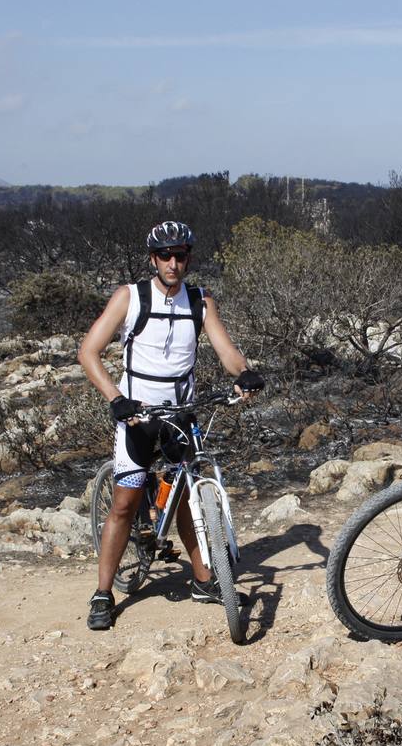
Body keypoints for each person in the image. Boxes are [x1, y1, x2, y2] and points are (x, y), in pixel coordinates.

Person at [78, 220, 264, 631]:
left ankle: (203, 581)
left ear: (189, 258)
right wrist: (116, 399)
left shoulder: (200, 300)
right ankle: (103, 592)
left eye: (181, 255)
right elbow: (88, 352)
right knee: (125, 503)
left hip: (182, 413)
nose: (174, 263)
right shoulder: (130, 297)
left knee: (188, 496)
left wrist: (244, 373)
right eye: (166, 256)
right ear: (153, 258)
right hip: (138, 415)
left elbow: (225, 350)